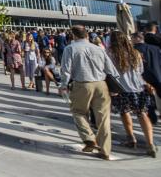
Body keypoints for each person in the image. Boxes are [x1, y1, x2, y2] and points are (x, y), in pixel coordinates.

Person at [60, 25, 120, 160]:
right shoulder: (98, 49)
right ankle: (105, 150)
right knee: (103, 118)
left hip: (82, 84)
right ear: (86, 35)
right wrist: (114, 87)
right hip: (101, 84)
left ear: (73, 35)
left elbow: (66, 70)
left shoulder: (70, 49)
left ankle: (89, 138)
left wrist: (63, 85)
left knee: (78, 112)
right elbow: (111, 69)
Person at [107, 31, 157, 157]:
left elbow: (108, 72)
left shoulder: (111, 54)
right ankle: (150, 143)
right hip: (139, 87)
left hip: (121, 89)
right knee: (142, 114)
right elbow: (140, 71)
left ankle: (131, 138)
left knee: (125, 112)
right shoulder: (136, 53)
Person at [132, 32, 161, 125]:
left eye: (132, 38)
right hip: (158, 76)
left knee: (148, 101)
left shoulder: (134, 50)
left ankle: (153, 119)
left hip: (143, 78)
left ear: (136, 38)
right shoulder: (155, 48)